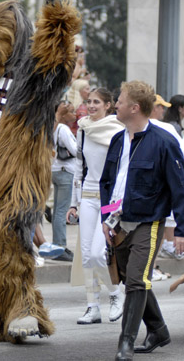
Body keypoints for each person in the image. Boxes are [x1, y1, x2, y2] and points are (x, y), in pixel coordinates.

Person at [100, 80, 184, 360]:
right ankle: (158, 330)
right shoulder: (117, 140)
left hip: (149, 221)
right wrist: (106, 218)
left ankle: (125, 343)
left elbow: (180, 188)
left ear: (134, 108)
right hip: (119, 222)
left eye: (120, 100)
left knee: (138, 281)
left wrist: (182, 230)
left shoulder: (164, 141)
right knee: (131, 280)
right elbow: (108, 182)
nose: (115, 104)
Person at [66, 88, 125, 325]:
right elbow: (79, 169)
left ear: (108, 105)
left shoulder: (118, 130)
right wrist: (74, 203)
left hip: (110, 200)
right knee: (87, 257)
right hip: (88, 197)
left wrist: (119, 203)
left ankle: (115, 295)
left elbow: (123, 169)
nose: (91, 106)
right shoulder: (83, 130)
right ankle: (92, 307)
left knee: (98, 255)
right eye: (89, 102)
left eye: (97, 102)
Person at [148, 95, 184, 266]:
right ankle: (157, 260)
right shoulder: (169, 127)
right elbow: (180, 153)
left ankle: (156, 261)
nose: (163, 110)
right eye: (160, 107)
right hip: (162, 185)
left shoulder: (169, 126)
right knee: (162, 221)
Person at [51, 100, 77, 261]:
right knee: (62, 211)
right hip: (65, 171)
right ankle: (59, 246)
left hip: (54, 170)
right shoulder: (63, 129)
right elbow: (75, 150)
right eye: (71, 112)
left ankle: (57, 245)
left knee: (56, 211)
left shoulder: (52, 127)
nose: (74, 115)